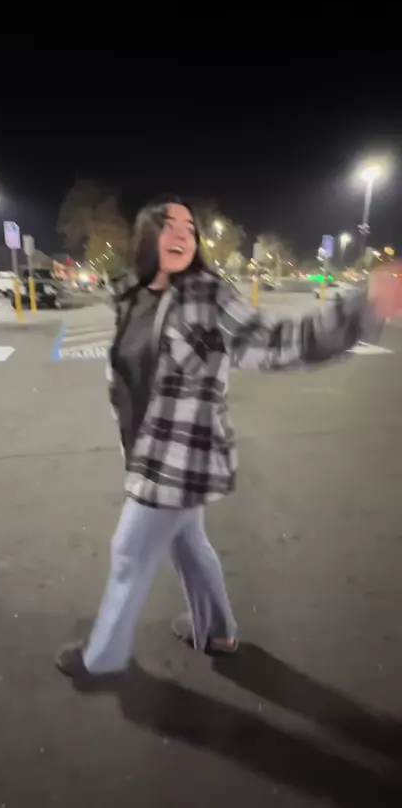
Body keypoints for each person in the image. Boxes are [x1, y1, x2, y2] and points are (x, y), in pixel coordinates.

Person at [56, 196, 389, 680]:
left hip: (176, 461)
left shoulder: (207, 297)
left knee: (128, 552)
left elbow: (275, 342)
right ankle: (217, 631)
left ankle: (103, 657)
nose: (182, 234)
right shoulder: (133, 296)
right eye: (169, 225)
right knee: (188, 544)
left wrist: (361, 311)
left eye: (189, 228)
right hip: (144, 452)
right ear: (146, 236)